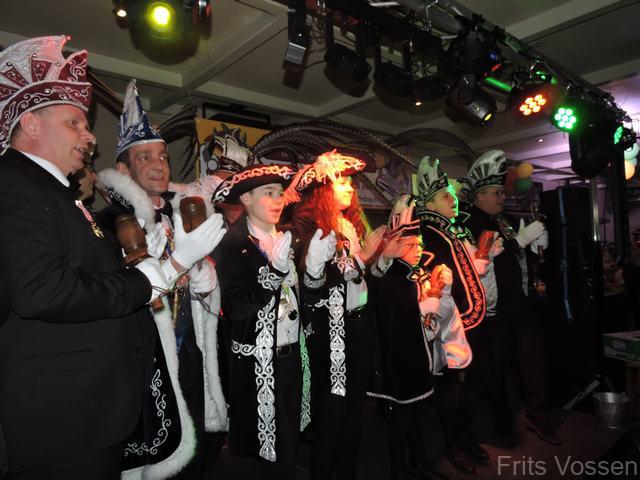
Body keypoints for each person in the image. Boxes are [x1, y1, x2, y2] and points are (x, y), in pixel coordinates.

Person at [0, 35, 168, 479]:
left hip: (86, 414)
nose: (90, 135)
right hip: (61, 422)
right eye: (74, 122)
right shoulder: (15, 183)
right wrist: (142, 283)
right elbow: (41, 289)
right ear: (30, 124)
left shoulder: (54, 193)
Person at [96, 79, 228, 479]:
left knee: (196, 462)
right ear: (124, 169)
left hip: (190, 358)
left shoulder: (178, 218)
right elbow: (111, 302)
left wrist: (204, 283)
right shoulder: (106, 227)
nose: (159, 165)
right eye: (145, 157)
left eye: (163, 157)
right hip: (146, 369)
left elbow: (195, 287)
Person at [289, 151, 410, 480]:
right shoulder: (307, 225)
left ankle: (346, 471)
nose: (349, 187)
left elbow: (360, 282)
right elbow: (312, 284)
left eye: (350, 182)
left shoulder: (349, 225)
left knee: (355, 408)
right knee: (333, 411)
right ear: (322, 189)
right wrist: (362, 258)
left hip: (358, 327)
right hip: (331, 334)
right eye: (340, 182)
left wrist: (382, 260)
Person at [212, 163, 324, 479]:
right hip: (260, 364)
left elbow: (302, 299)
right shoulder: (232, 244)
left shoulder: (288, 238)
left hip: (293, 355)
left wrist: (315, 272)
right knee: (268, 448)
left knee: (289, 439)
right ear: (246, 199)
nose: (278, 200)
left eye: (280, 193)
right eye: (268, 193)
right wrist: (272, 274)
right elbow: (235, 308)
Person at [368, 195, 471, 480]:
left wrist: (438, 294)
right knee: (401, 421)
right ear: (395, 247)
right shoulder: (391, 281)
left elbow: (429, 325)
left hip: (417, 360)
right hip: (401, 365)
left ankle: (419, 461)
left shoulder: (412, 277)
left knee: (417, 416)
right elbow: (395, 323)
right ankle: (400, 469)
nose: (418, 249)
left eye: (419, 243)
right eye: (410, 245)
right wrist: (425, 306)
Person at [464, 150, 560, 446]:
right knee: (496, 370)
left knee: (533, 361)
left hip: (519, 303)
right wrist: (520, 242)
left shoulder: (502, 220)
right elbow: (483, 261)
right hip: (493, 312)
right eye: (496, 193)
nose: (502, 197)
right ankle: (502, 424)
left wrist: (532, 249)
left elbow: (514, 261)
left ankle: (537, 415)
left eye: (501, 192)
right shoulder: (470, 222)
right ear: (479, 196)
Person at [414, 155, 502, 473]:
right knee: (447, 386)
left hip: (468, 318)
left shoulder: (452, 230)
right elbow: (427, 278)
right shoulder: (427, 233)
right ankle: (452, 442)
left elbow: (464, 270)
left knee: (473, 377)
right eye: (444, 197)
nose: (453, 200)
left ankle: (460, 433)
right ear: (430, 204)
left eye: (452, 195)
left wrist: (481, 262)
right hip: (446, 323)